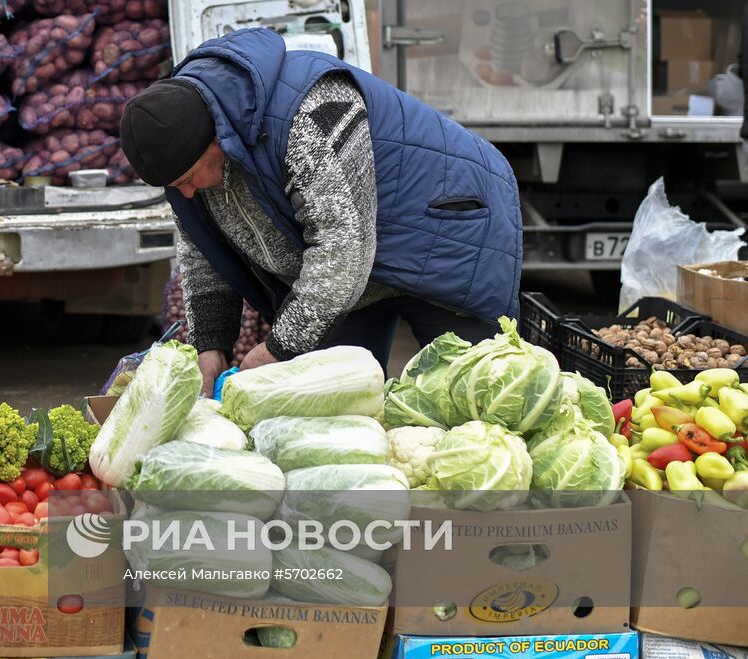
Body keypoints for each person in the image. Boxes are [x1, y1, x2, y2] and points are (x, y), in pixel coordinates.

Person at [119, 27, 522, 393]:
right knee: (336, 410)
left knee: (473, 398)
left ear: (215, 140)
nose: (186, 193)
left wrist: (277, 347)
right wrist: (209, 345)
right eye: (176, 187)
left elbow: (342, 250)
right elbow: (205, 253)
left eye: (189, 178)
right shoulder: (183, 166)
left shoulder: (311, 115)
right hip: (351, 272)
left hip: (447, 231)